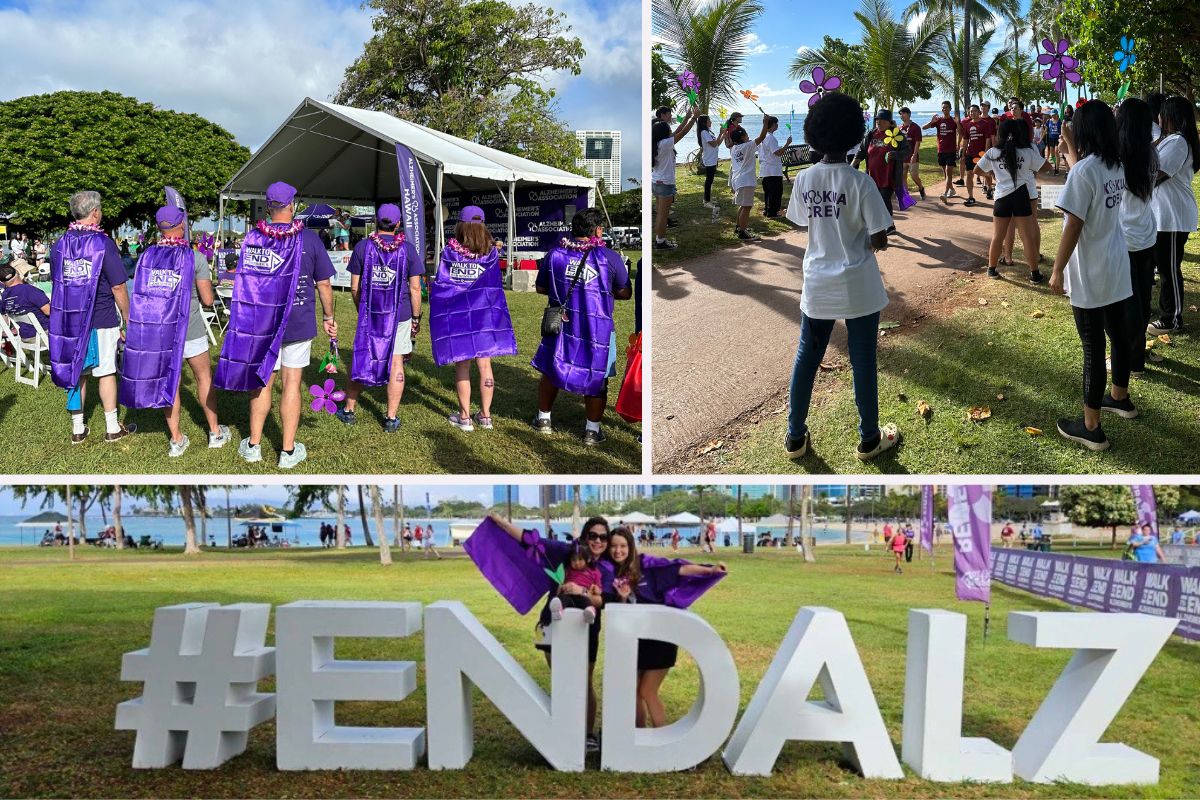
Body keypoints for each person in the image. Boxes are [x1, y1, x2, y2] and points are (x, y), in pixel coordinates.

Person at [784, 92, 901, 462]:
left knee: (808, 355)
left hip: (818, 281)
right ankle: (869, 438)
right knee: (863, 358)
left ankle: (794, 436)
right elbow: (880, 237)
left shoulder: (804, 179)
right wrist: (865, 237)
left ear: (814, 134)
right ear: (854, 133)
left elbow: (804, 221)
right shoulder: (861, 183)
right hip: (859, 284)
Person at [215, 181, 337, 468]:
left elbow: (244, 282)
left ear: (268, 207)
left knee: (262, 384)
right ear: (292, 205)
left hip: (261, 324)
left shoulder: (252, 239)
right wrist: (329, 316)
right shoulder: (309, 239)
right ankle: (287, 451)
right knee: (292, 384)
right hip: (298, 322)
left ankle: (255, 445)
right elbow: (324, 285)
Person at [1050, 101, 1136, 452]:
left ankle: (1091, 427)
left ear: (1085, 130)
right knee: (1117, 336)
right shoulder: (1114, 165)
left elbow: (1074, 223)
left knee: (1092, 347)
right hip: (1116, 265)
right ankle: (1120, 397)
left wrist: (1056, 269)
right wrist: (1070, 146)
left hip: (1091, 272)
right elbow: (1083, 176)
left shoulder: (1085, 171)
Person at [488, 513, 610, 752]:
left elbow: (604, 600)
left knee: (584, 681)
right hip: (554, 622)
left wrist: (582, 589)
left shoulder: (605, 568)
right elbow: (528, 539)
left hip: (586, 627)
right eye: (593, 536)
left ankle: (586, 734)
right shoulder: (565, 552)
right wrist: (499, 521)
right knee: (563, 678)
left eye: (603, 537)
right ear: (585, 537)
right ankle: (564, 730)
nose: (598, 541)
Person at [118, 205, 230, 457]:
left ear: (160, 228)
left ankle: (176, 440)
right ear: (181, 226)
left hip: (159, 333)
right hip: (190, 329)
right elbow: (208, 300)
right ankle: (215, 432)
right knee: (203, 378)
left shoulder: (147, 256)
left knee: (171, 383)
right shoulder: (195, 257)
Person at [603, 527, 727, 729]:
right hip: (637, 640)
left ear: (630, 546)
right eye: (614, 546)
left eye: (623, 546)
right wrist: (623, 596)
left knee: (647, 691)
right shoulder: (612, 572)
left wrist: (710, 570)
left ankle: (662, 737)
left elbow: (679, 569)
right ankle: (638, 735)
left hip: (660, 639)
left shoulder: (645, 565)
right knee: (633, 692)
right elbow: (622, 611)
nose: (618, 551)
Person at [530, 208, 632, 446]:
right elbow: (625, 292)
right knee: (598, 375)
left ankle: (544, 419)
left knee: (551, 367)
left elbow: (541, 287)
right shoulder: (609, 257)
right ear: (597, 230)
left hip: (562, 324)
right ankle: (592, 431)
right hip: (598, 329)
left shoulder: (555, 254)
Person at [49, 190, 136, 444]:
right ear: (95, 212)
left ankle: (78, 429)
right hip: (101, 316)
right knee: (106, 371)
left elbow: (58, 280)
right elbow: (118, 286)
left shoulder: (60, 243)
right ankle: (111, 427)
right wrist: (128, 316)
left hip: (69, 320)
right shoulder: (102, 243)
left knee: (77, 372)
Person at [336, 203, 423, 432]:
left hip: (371, 312)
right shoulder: (408, 249)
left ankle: (349, 410)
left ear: (376, 222)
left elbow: (354, 288)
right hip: (401, 314)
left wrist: (361, 309)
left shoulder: (363, 247)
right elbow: (415, 289)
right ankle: (391, 418)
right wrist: (415, 318)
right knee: (396, 362)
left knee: (363, 357)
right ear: (398, 224)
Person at [429, 205, 516, 431]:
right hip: (485, 315)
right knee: (485, 365)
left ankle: (465, 417)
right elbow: (495, 286)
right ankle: (485, 416)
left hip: (458, 316)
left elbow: (441, 285)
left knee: (463, 365)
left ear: (460, 225)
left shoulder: (449, 253)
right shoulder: (492, 254)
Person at [1114, 98, 1162, 378]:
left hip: (1126, 238)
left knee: (1127, 305)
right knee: (1143, 299)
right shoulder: (1151, 155)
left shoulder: (1119, 157)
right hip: (1146, 234)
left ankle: (1133, 361)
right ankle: (1138, 352)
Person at [1148, 96, 1200, 333]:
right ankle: (1167, 313)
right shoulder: (1170, 140)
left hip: (1172, 216)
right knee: (1164, 266)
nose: (1158, 117)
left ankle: (1173, 318)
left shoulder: (1178, 142)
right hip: (1163, 216)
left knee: (1169, 269)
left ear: (1171, 117)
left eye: (1162, 113)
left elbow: (1156, 173)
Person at [974, 118, 1048, 282]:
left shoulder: (993, 152)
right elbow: (1047, 167)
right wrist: (1029, 168)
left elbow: (976, 170)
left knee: (997, 236)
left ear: (1000, 133)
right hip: (1021, 196)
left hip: (1002, 197)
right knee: (1026, 237)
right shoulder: (1027, 152)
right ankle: (1035, 274)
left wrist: (991, 174)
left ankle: (991, 270)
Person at [853, 108, 909, 226]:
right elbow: (862, 151)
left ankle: (889, 226)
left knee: (884, 199)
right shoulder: (871, 134)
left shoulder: (897, 134)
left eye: (883, 120)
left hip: (889, 177)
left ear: (889, 122)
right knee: (873, 201)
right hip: (872, 176)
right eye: (877, 120)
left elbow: (907, 151)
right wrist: (853, 164)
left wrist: (895, 154)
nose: (879, 122)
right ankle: (884, 225)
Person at [651, 108, 696, 249]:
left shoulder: (657, 143)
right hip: (665, 183)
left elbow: (677, 133)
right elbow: (682, 133)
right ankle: (660, 242)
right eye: (669, 130)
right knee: (663, 216)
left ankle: (659, 239)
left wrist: (688, 118)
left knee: (660, 214)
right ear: (665, 133)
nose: (671, 131)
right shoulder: (665, 144)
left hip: (656, 182)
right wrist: (694, 118)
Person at [723, 123, 763, 240]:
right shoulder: (747, 146)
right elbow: (761, 137)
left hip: (738, 180)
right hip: (746, 180)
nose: (748, 136)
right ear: (742, 138)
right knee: (747, 207)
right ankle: (743, 232)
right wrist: (765, 124)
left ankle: (739, 227)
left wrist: (727, 136)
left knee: (743, 205)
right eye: (746, 135)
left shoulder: (734, 148)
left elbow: (730, 143)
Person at [548, 541, 602, 624]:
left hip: (582, 595)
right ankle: (558, 611)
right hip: (568, 594)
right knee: (562, 599)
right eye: (573, 560)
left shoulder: (594, 572)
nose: (576, 563)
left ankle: (590, 612)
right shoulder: (568, 570)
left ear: (587, 559)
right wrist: (560, 588)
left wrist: (597, 589)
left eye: (580, 559)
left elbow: (599, 588)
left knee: (585, 601)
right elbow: (562, 582)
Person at [0, 259, 50, 341]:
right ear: (19, 273)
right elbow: (48, 311)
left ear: (2, 282)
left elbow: (4, 316)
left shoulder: (4, 296)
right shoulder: (29, 290)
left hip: (24, 337)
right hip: (43, 334)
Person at [922, 100, 962, 201]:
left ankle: (945, 193)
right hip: (941, 150)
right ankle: (951, 189)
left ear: (950, 109)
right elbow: (923, 128)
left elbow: (961, 133)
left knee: (948, 171)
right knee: (945, 172)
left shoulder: (953, 121)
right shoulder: (938, 120)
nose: (944, 109)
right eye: (943, 108)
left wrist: (957, 123)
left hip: (951, 150)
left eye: (946, 108)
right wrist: (931, 122)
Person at [758, 115, 791, 218]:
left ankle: (767, 210)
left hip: (766, 169)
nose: (777, 125)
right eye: (776, 124)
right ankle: (773, 212)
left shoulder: (763, 137)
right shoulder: (771, 138)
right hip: (772, 169)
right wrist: (787, 144)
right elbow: (778, 152)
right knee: (775, 192)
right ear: (772, 125)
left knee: (768, 192)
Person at [897, 107, 926, 200]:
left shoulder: (915, 127)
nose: (902, 116)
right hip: (902, 156)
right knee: (903, 175)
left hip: (912, 156)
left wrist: (914, 155)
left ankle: (921, 187)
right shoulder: (899, 128)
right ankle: (906, 195)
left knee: (914, 176)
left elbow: (918, 142)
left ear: (909, 114)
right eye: (900, 114)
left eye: (903, 114)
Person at [696, 115, 722, 209]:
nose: (711, 122)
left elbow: (717, 143)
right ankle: (706, 201)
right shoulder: (704, 132)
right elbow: (714, 144)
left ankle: (708, 199)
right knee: (709, 180)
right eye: (709, 120)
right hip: (709, 159)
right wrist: (720, 134)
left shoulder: (708, 132)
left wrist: (723, 135)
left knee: (710, 180)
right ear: (704, 122)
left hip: (712, 158)